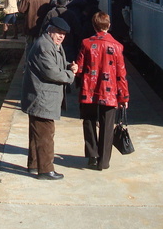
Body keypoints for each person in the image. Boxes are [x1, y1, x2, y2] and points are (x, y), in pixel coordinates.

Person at [21, 17, 76, 180]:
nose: (61, 37)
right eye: (59, 33)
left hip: (41, 97)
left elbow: (55, 63)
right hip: (42, 98)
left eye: (64, 34)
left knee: (37, 133)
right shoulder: (44, 46)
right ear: (50, 30)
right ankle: (46, 170)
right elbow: (51, 72)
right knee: (46, 134)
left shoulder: (49, 44)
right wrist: (71, 74)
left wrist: (67, 65)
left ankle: (34, 165)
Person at [75, 11, 130, 171]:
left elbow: (79, 68)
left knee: (89, 120)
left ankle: (92, 155)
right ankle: (104, 161)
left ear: (94, 25)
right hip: (110, 92)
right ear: (109, 25)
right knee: (107, 126)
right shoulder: (117, 47)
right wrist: (124, 97)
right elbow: (121, 74)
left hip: (89, 90)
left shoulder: (86, 44)